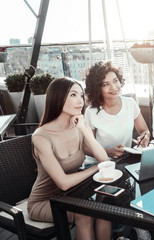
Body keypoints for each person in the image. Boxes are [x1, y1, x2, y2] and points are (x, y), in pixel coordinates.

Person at [28, 77, 112, 240]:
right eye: (73, 95)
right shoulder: (41, 137)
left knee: (104, 209)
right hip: (45, 201)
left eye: (81, 95)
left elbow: (103, 158)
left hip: (72, 195)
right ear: (58, 98)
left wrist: (84, 129)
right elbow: (63, 183)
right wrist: (96, 168)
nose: (80, 101)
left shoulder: (78, 125)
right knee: (84, 215)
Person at [84, 61, 150, 161]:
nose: (114, 87)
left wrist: (144, 138)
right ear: (97, 88)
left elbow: (144, 130)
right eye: (106, 84)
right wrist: (108, 152)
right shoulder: (91, 112)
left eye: (115, 81)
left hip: (123, 161)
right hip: (99, 164)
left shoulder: (130, 103)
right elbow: (87, 148)